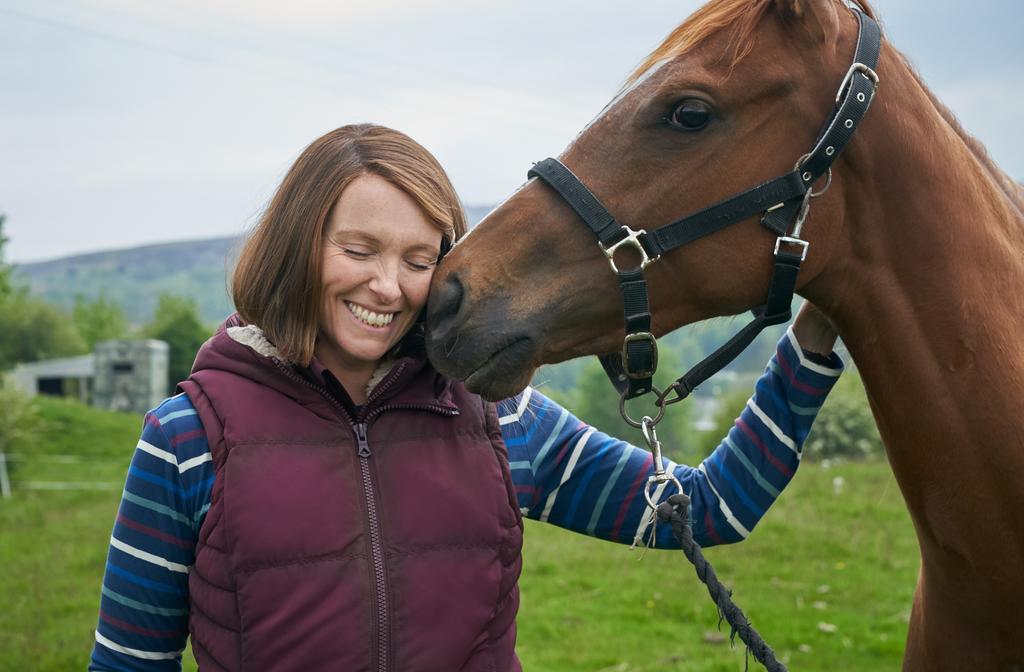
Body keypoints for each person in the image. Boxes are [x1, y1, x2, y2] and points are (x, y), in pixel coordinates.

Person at [89, 124, 842, 672]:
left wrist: (810, 346)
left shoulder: (502, 419)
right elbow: (127, 664)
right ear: (296, 245)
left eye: (419, 259)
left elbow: (710, 509)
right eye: (358, 251)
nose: (387, 286)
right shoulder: (187, 437)